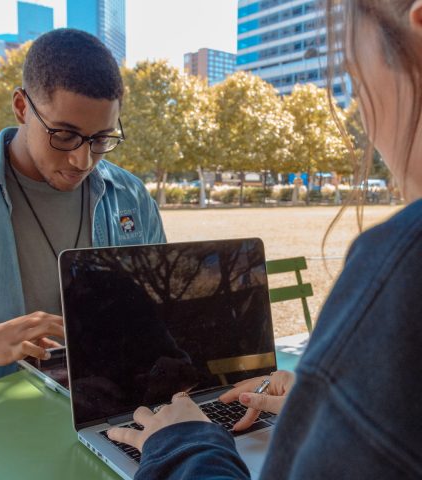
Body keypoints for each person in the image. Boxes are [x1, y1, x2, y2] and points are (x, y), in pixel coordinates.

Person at [108, 1, 422, 478]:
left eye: (353, 73)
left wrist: (183, 444)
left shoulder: (402, 264)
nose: (360, 113)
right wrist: (328, 405)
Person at [0, 29, 166, 410]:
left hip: (113, 405)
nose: (83, 161)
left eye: (101, 139)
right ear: (21, 107)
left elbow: (159, 313)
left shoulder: (131, 196)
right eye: (64, 135)